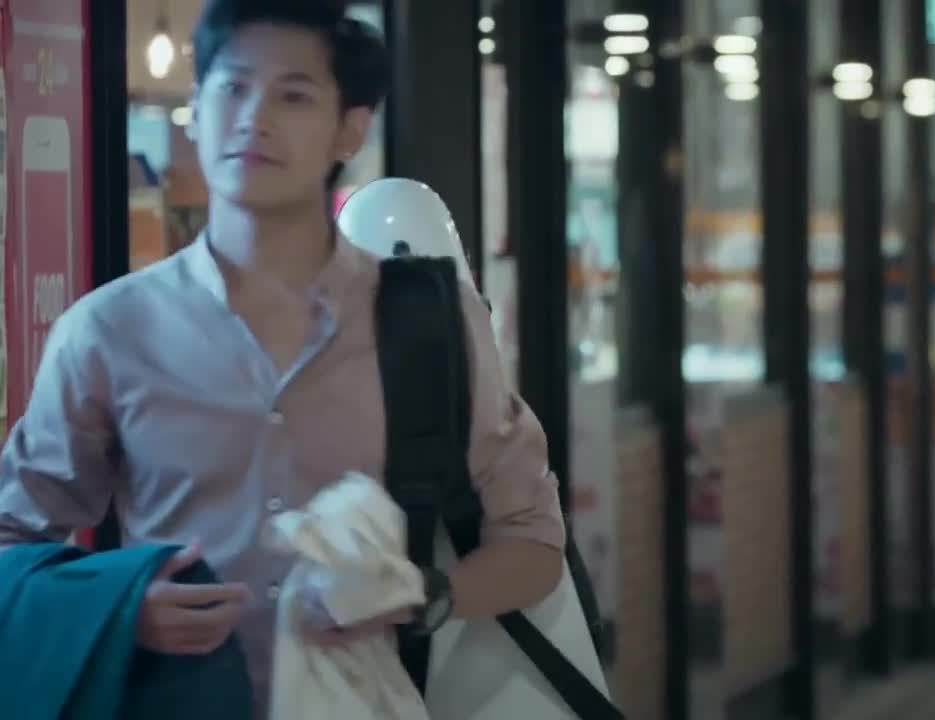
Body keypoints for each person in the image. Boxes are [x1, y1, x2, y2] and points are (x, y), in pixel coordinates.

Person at [0, 0, 564, 716]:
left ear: (350, 129)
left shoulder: (430, 319)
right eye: (232, 87)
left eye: (293, 95)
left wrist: (422, 595)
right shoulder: (110, 330)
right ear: (198, 108)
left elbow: (533, 542)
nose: (253, 117)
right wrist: (120, 611)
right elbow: (12, 541)